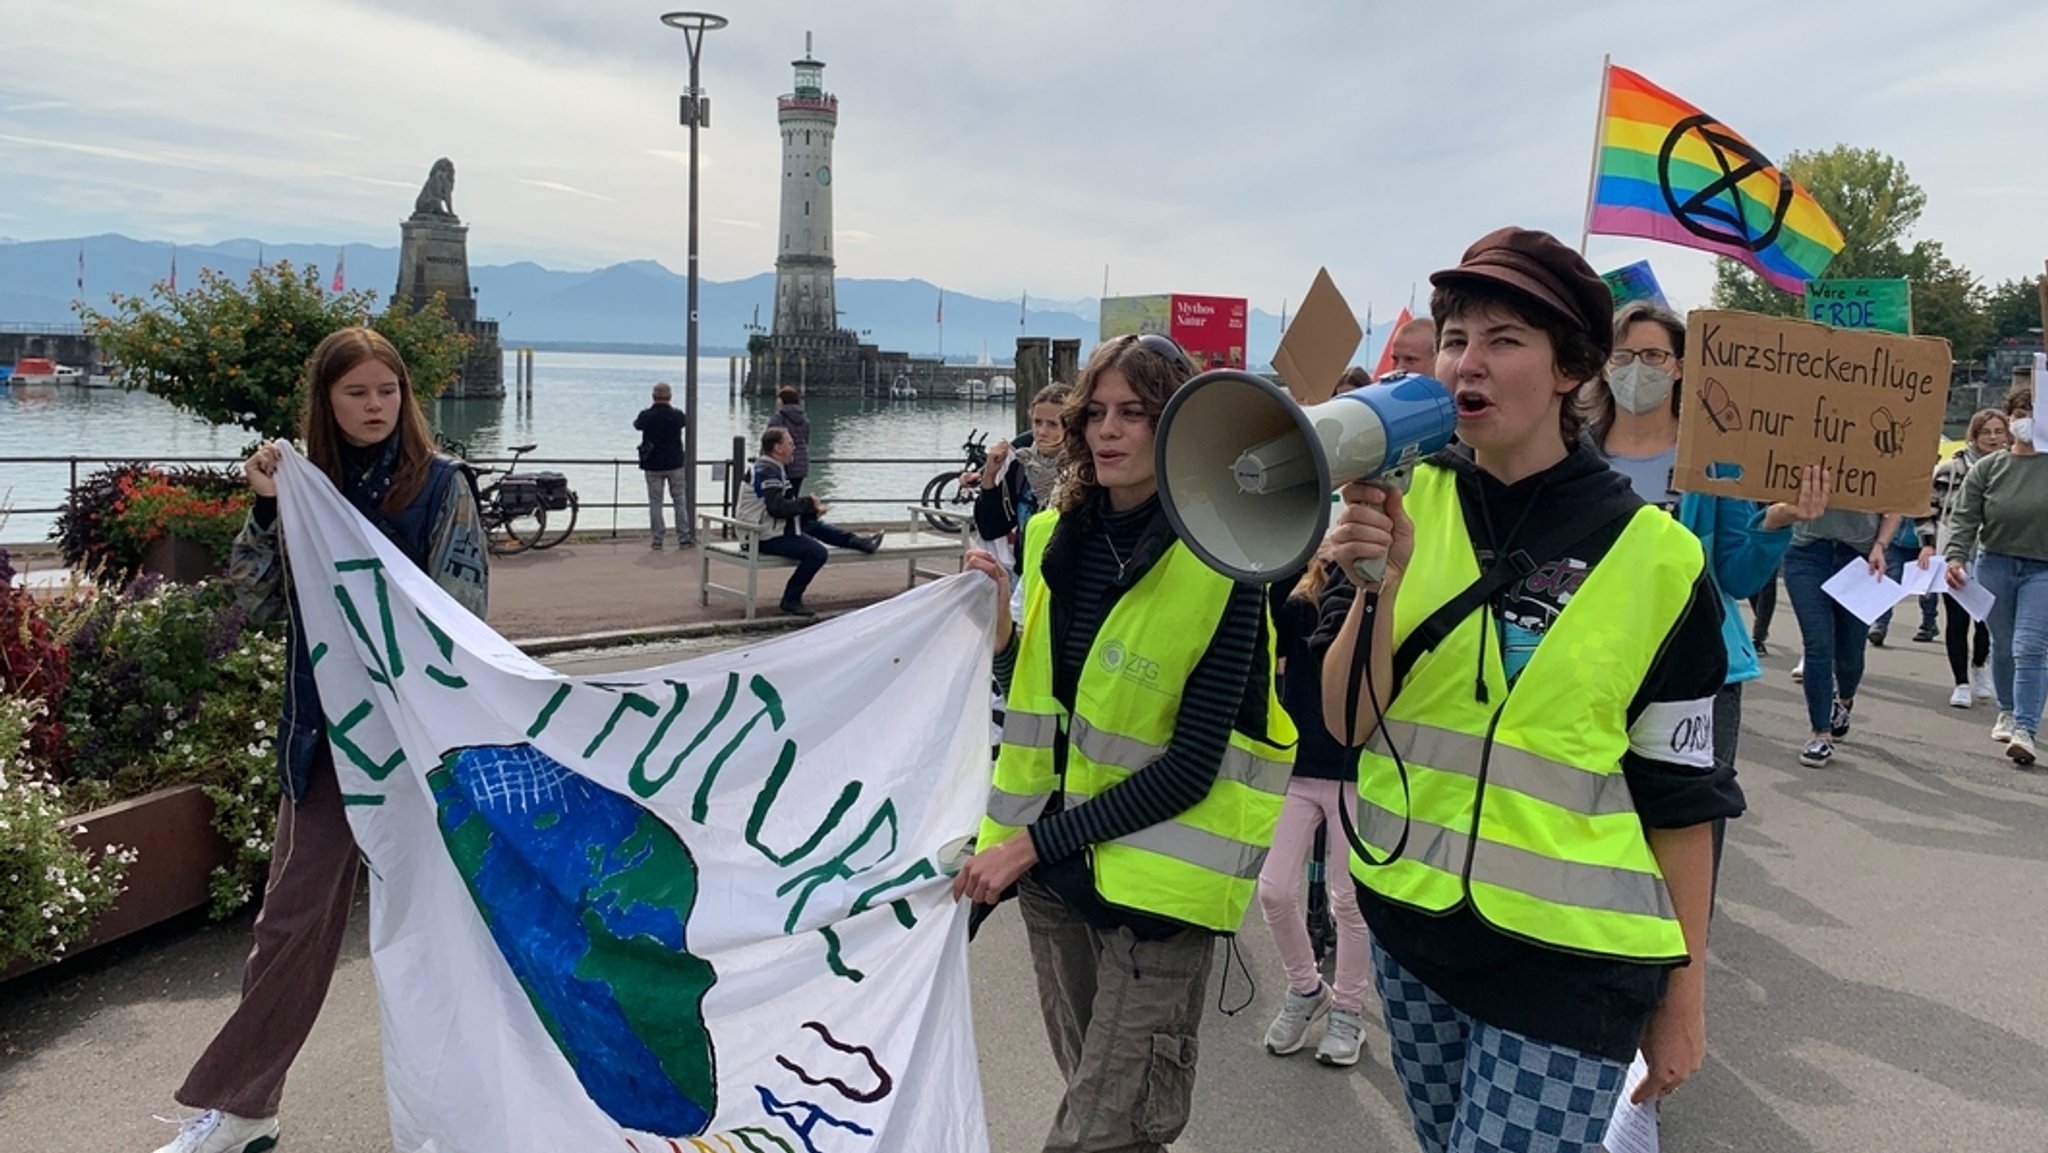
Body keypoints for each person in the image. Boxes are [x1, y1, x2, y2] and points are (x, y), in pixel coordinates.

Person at [1319, 228, 1736, 1153]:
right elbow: (1349, 720)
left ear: (1570, 369)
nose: (1469, 361)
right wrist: (1371, 590)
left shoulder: (1661, 557)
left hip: (1575, 962)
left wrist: (1684, 993)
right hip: (1414, 931)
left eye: (1504, 339)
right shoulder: (1397, 501)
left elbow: (1684, 798)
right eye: (1457, 335)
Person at [951, 332, 1295, 1153]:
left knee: (1094, 1135)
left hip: (1155, 901)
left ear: (1181, 427)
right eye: (1095, 412)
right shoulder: (1051, 540)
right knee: (1114, 1123)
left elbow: (1188, 767)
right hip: (1054, 892)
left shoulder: (1230, 562)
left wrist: (1031, 845)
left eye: (1134, 413)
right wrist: (1000, 630)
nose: (1107, 430)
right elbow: (1038, 698)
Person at [153, 326, 489, 1153]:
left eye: (387, 391)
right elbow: (256, 602)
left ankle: (485, 1110)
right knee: (290, 925)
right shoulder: (306, 489)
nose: (375, 406)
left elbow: (464, 617)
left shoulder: (441, 487)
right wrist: (266, 510)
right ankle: (244, 1108)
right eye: (356, 393)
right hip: (326, 745)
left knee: (462, 927)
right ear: (326, 403)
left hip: (424, 747)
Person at [1583, 301, 1829, 799]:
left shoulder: (1714, 461)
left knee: (1685, 827)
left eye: (1653, 356)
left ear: (1679, 367)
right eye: (1623, 354)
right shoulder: (1575, 456)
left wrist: (1774, 524)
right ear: (1603, 364)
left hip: (1697, 674)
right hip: (1590, 666)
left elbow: (1736, 578)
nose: (1637, 369)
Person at [1257, 543, 1372, 1068]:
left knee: (1348, 900)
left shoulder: (1372, 585)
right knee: (1274, 890)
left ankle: (1349, 1008)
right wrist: (1309, 555)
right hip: (1297, 765)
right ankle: (1306, 989)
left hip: (1355, 769)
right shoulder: (1297, 586)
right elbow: (1267, 614)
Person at [1944, 392, 2048, 764]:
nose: (2025, 421)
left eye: (2034, 415)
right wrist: (1956, 556)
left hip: (2043, 569)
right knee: (2002, 644)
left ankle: (2025, 728)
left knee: (2030, 646)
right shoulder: (1988, 468)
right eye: (2019, 414)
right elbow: (1965, 516)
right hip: (1996, 564)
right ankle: (2007, 708)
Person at [1782, 504, 1899, 767]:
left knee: (1850, 652)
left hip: (1859, 557)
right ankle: (1821, 734)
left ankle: (1844, 702)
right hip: (1806, 553)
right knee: (1817, 644)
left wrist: (1881, 544)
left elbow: (1897, 501)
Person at [734, 426, 879, 618]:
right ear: (778, 448)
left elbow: (779, 507)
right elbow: (776, 508)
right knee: (817, 553)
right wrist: (807, 504)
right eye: (790, 443)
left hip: (767, 527)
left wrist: (808, 509)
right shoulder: (768, 470)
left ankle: (857, 542)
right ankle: (791, 599)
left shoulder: (770, 466)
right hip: (759, 535)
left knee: (811, 525)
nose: (794, 447)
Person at [1922, 409, 2007, 708]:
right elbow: (1927, 508)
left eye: (1999, 431)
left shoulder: (2012, 467)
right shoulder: (1951, 468)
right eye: (1987, 432)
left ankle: (1979, 666)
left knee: (1986, 618)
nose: (1993, 438)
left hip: (1994, 552)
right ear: (1974, 435)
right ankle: (1960, 682)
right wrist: (1928, 544)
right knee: (1957, 620)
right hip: (1956, 550)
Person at [972, 381, 1072, 587]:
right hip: (1024, 574)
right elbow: (991, 527)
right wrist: (990, 475)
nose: (1042, 432)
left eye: (1053, 424)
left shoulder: (1083, 470)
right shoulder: (1023, 462)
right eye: (1037, 422)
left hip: (1065, 579)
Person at [634, 380, 689, 549]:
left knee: (655, 502)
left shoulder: (646, 416)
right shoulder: (677, 416)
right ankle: (684, 537)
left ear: (653, 397)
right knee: (679, 500)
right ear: (670, 397)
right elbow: (685, 422)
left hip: (652, 464)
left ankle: (658, 539)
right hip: (675, 463)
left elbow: (637, 425)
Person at [1869, 518, 1935, 647]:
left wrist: (1930, 543)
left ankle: (1929, 623)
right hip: (1895, 543)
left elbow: (1933, 514)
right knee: (1890, 583)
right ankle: (1880, 625)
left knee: (1926, 588)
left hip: (1923, 545)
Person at [765, 385, 812, 494]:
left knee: (781, 497)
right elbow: (806, 440)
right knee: (794, 495)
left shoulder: (779, 418)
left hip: (783, 463)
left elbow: (769, 440)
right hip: (801, 463)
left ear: (782, 401)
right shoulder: (804, 419)